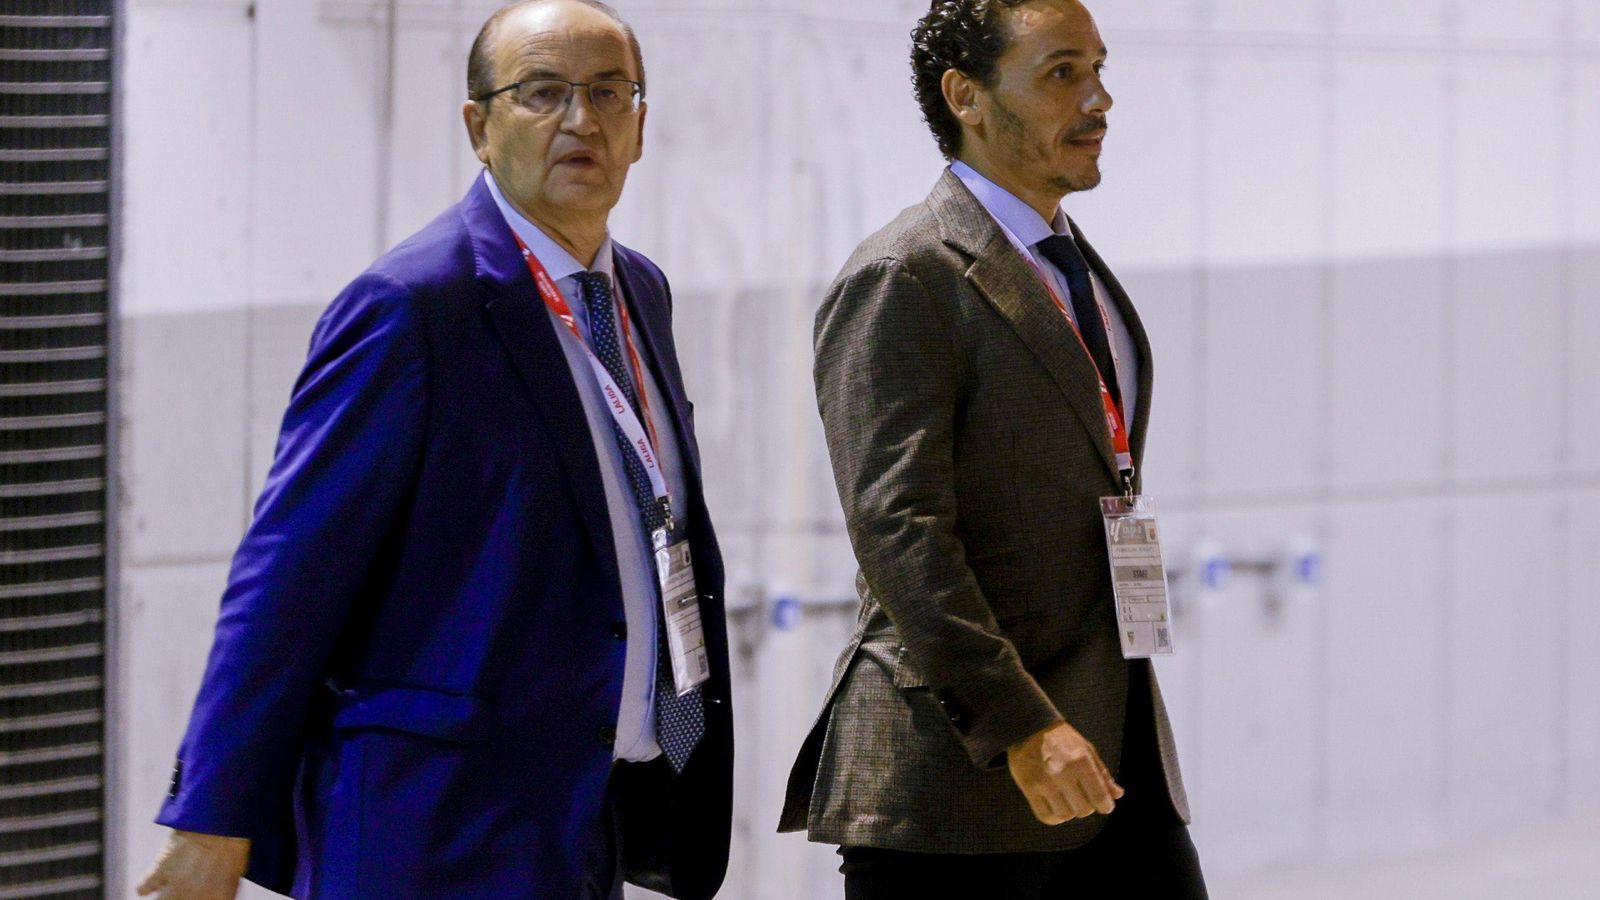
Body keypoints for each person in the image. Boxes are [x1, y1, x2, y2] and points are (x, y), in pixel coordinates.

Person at [135, 2, 732, 897]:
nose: (583, 120)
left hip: (583, 812)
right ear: (479, 127)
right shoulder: (413, 306)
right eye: (543, 93)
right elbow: (286, 580)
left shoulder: (638, 290)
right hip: (437, 825)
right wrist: (212, 819)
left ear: (641, 127)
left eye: (610, 93)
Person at [778, 0, 1208, 896]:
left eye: (1098, 68)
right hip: (963, 782)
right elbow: (900, 530)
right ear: (965, 96)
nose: (1099, 99)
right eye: (1062, 74)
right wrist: (1019, 725)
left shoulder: (1067, 261)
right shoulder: (904, 272)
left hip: (1111, 751)